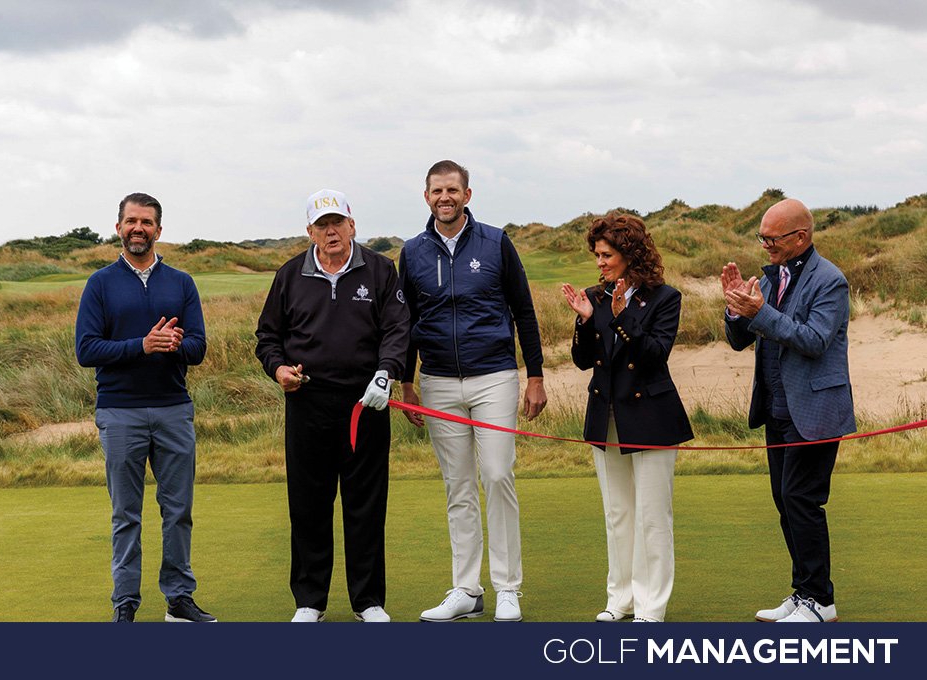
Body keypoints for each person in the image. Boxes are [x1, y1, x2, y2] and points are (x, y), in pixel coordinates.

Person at [398, 160, 547, 623]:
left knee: (497, 475)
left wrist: (536, 375)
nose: (444, 197)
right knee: (458, 485)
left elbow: (523, 310)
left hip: (494, 376)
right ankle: (466, 589)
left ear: (467, 194)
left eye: (452, 190)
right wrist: (407, 381)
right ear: (426, 197)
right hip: (438, 381)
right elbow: (406, 322)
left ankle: (508, 587)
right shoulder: (412, 252)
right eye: (436, 191)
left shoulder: (496, 242)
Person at [255, 189, 409, 623]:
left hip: (366, 403)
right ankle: (310, 600)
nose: (331, 231)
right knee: (309, 504)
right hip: (307, 403)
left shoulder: (380, 270)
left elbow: (397, 329)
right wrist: (279, 369)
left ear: (352, 225)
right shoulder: (290, 275)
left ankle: (368, 601)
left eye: (337, 222)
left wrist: (386, 372)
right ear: (310, 232)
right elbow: (268, 337)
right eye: (322, 225)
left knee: (366, 504)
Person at [75, 192, 214, 623]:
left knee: (178, 511)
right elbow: (86, 349)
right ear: (119, 227)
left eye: (147, 222)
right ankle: (125, 603)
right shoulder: (100, 283)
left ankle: (179, 599)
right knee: (126, 514)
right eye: (132, 221)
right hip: (120, 412)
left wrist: (173, 344)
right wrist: (142, 345)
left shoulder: (181, 283)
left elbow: (198, 347)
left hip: (173, 408)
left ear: (159, 230)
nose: (139, 228)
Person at [722, 198, 855, 623]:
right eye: (761, 237)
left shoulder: (830, 281)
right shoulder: (772, 277)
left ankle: (821, 601)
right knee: (786, 500)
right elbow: (740, 341)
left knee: (802, 500)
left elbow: (814, 340)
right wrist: (736, 309)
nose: (765, 245)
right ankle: (803, 594)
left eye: (772, 238)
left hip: (814, 409)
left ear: (801, 237)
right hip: (777, 410)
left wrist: (760, 312)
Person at [561, 211, 693, 623]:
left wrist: (621, 318)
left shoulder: (665, 298)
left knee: (652, 517)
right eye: (597, 255)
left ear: (629, 254)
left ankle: (650, 607)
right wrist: (585, 321)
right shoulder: (595, 297)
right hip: (607, 416)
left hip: (652, 417)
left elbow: (654, 354)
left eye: (606, 255)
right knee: (617, 514)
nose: (599, 262)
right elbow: (583, 360)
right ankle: (620, 600)